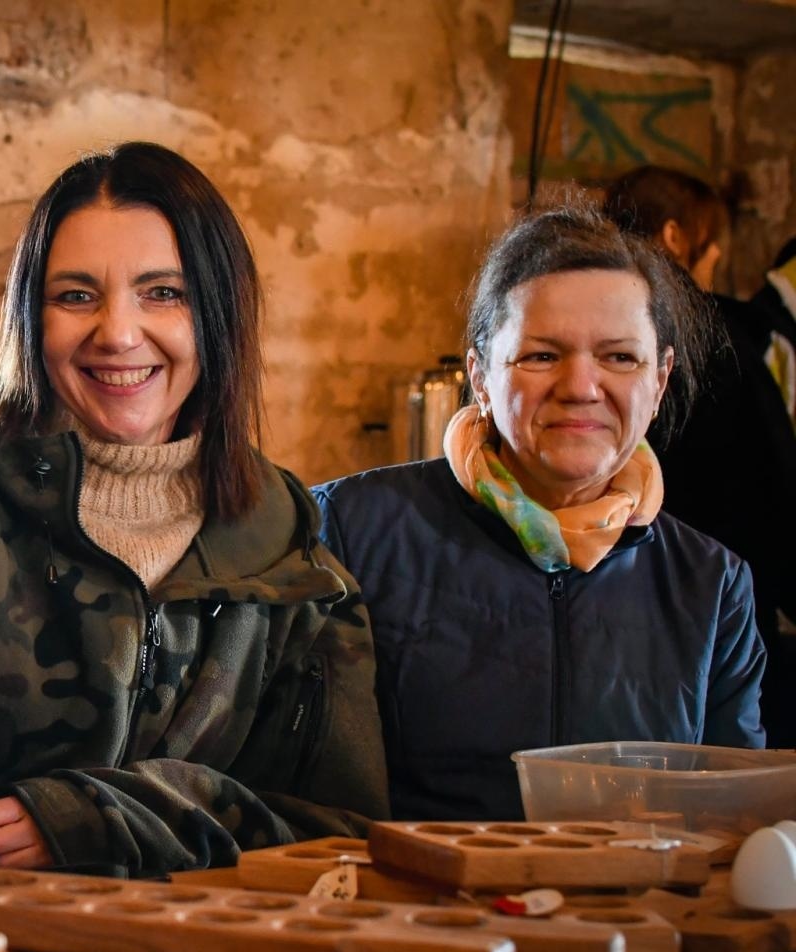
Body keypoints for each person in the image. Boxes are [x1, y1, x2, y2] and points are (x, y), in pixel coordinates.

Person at [0, 142, 388, 877]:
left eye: (163, 293)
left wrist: (112, 817)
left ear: (218, 315)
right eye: (76, 295)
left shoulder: (283, 539)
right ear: (33, 317)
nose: (118, 333)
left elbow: (347, 836)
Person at [314, 203, 766, 822]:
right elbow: (300, 789)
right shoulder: (350, 531)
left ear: (660, 380)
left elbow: (733, 820)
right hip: (416, 909)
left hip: (631, 915)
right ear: (480, 375)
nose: (581, 386)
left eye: (620, 358)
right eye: (542, 356)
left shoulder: (711, 588)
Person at [605, 166, 796, 742]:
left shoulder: (590, 329)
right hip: (711, 621)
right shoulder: (720, 340)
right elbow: (777, 498)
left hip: (607, 611)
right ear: (674, 236)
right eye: (712, 253)